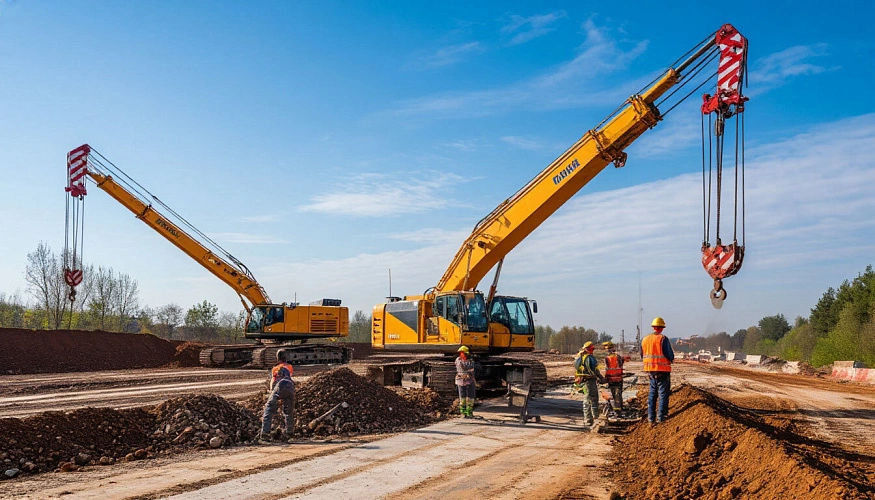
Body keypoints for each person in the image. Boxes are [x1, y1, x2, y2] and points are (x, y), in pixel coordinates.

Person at [641, 316, 675, 425]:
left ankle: (651, 418)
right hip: (662, 371)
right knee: (663, 394)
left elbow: (642, 354)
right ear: (661, 328)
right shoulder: (663, 339)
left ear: (653, 327)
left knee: (652, 394)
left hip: (650, 371)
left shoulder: (645, 339)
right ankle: (661, 417)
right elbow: (670, 355)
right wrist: (671, 359)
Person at [260, 351, 296, 442]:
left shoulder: (275, 368)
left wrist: (272, 392)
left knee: (269, 409)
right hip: (290, 386)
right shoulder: (290, 367)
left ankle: (265, 433)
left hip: (280, 385)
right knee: (288, 411)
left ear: (277, 358)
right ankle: (289, 433)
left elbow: (273, 381)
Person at [573, 341, 605, 426]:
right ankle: (591, 419)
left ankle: (591, 418)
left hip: (584, 381)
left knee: (589, 399)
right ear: (589, 349)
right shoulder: (589, 358)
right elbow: (594, 370)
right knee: (591, 399)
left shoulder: (581, 357)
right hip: (589, 381)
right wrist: (601, 377)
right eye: (592, 349)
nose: (593, 351)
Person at [455, 345, 476, 418]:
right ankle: (463, 412)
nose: (461, 354)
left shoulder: (471, 361)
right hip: (460, 380)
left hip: (470, 380)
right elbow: (463, 368)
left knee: (470, 397)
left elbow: (471, 370)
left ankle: (469, 412)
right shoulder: (458, 360)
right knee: (462, 396)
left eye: (462, 353)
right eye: (460, 353)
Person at [602, 341, 624, 411]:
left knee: (614, 395)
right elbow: (621, 365)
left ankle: (617, 411)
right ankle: (619, 409)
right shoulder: (618, 357)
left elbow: (607, 369)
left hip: (611, 379)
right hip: (618, 379)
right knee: (618, 395)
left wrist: (605, 378)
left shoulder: (607, 358)